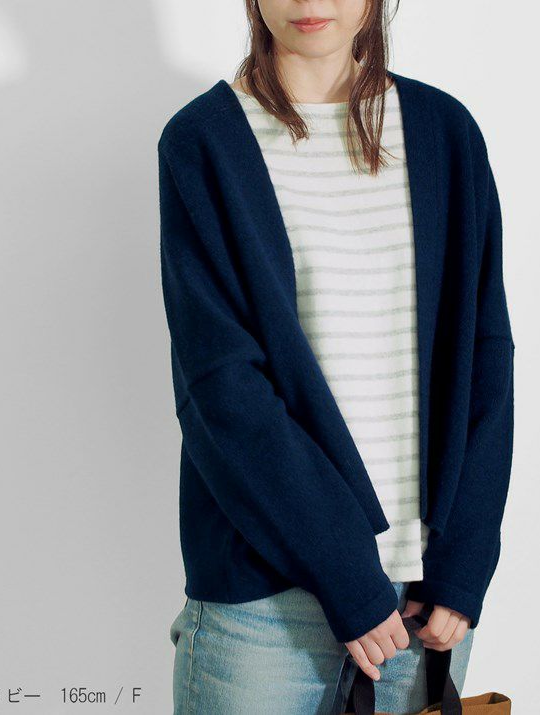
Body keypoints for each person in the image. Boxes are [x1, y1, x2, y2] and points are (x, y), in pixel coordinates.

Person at [158, 1, 514, 713]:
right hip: (265, 603)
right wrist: (345, 572)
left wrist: (465, 558)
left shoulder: (444, 131)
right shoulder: (203, 141)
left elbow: (485, 353)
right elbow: (221, 387)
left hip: (424, 601)